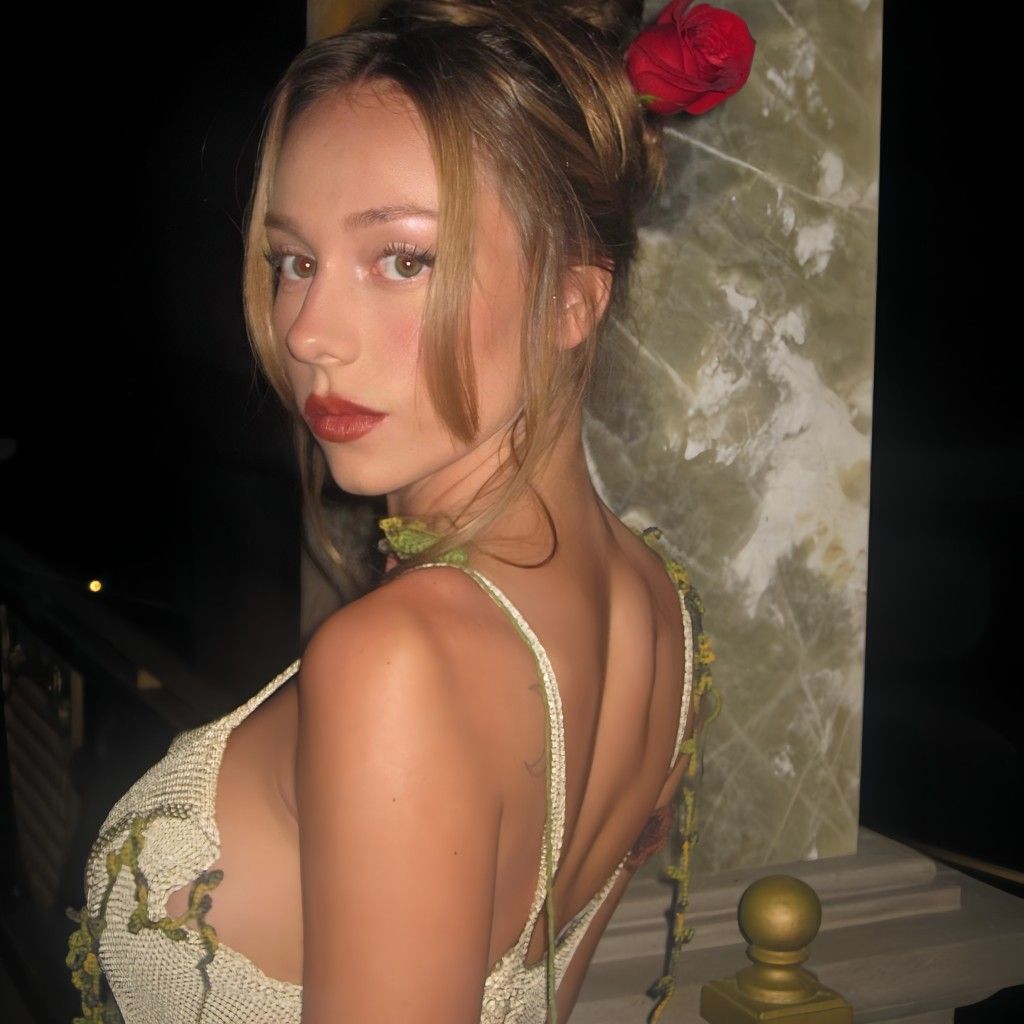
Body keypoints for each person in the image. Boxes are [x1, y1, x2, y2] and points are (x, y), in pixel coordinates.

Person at [66, 1, 751, 1021]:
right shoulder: (665, 612)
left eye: (402, 258)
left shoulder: (398, 660)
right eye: (295, 261)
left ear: (574, 298)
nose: (309, 332)